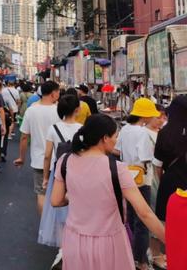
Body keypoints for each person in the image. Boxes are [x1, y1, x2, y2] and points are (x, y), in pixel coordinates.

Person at [51, 114, 165, 270]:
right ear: (105, 138)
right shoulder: (117, 169)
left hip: (74, 240)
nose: (116, 140)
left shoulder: (65, 160)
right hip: (109, 243)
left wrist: (75, 196)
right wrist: (170, 240)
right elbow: (144, 212)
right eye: (115, 136)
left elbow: (56, 200)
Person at [114, 97, 159, 270]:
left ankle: (130, 254)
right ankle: (140, 260)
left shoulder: (125, 129)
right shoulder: (143, 133)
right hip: (142, 179)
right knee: (143, 221)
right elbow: (147, 157)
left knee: (131, 217)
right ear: (145, 116)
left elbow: (117, 150)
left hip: (126, 176)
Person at [38, 94, 82, 267]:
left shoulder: (53, 128)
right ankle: (74, 245)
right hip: (78, 173)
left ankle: (64, 247)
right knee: (76, 210)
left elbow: (47, 155)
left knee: (60, 211)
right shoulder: (82, 128)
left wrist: (46, 177)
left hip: (59, 173)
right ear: (77, 109)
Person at [14, 80, 61, 216]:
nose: (59, 94)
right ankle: (57, 226)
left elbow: (24, 137)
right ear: (53, 93)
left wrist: (21, 157)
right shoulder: (59, 110)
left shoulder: (31, 111)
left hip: (39, 160)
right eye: (58, 92)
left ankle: (44, 226)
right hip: (59, 159)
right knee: (59, 193)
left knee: (41, 193)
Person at [153, 96, 187, 223]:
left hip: (170, 186)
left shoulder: (164, 133)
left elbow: (157, 165)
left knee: (171, 222)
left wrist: (164, 179)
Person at [146, 105, 167, 270]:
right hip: (152, 177)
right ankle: (155, 253)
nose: (162, 119)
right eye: (158, 116)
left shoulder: (165, 133)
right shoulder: (144, 134)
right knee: (155, 214)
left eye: (164, 116)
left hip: (164, 178)